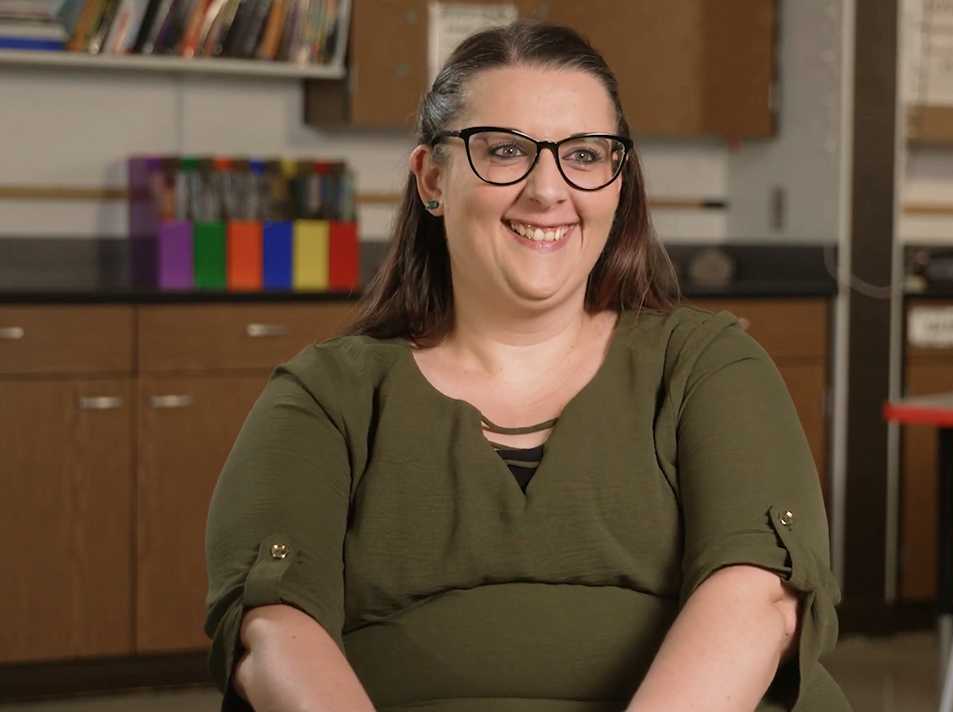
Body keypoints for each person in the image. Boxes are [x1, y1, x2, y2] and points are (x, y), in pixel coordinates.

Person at [205, 21, 849, 712]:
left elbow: (760, 600)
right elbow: (272, 628)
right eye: (505, 151)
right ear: (431, 178)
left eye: (585, 155)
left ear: (617, 179)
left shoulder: (708, 367)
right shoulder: (327, 396)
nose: (549, 190)